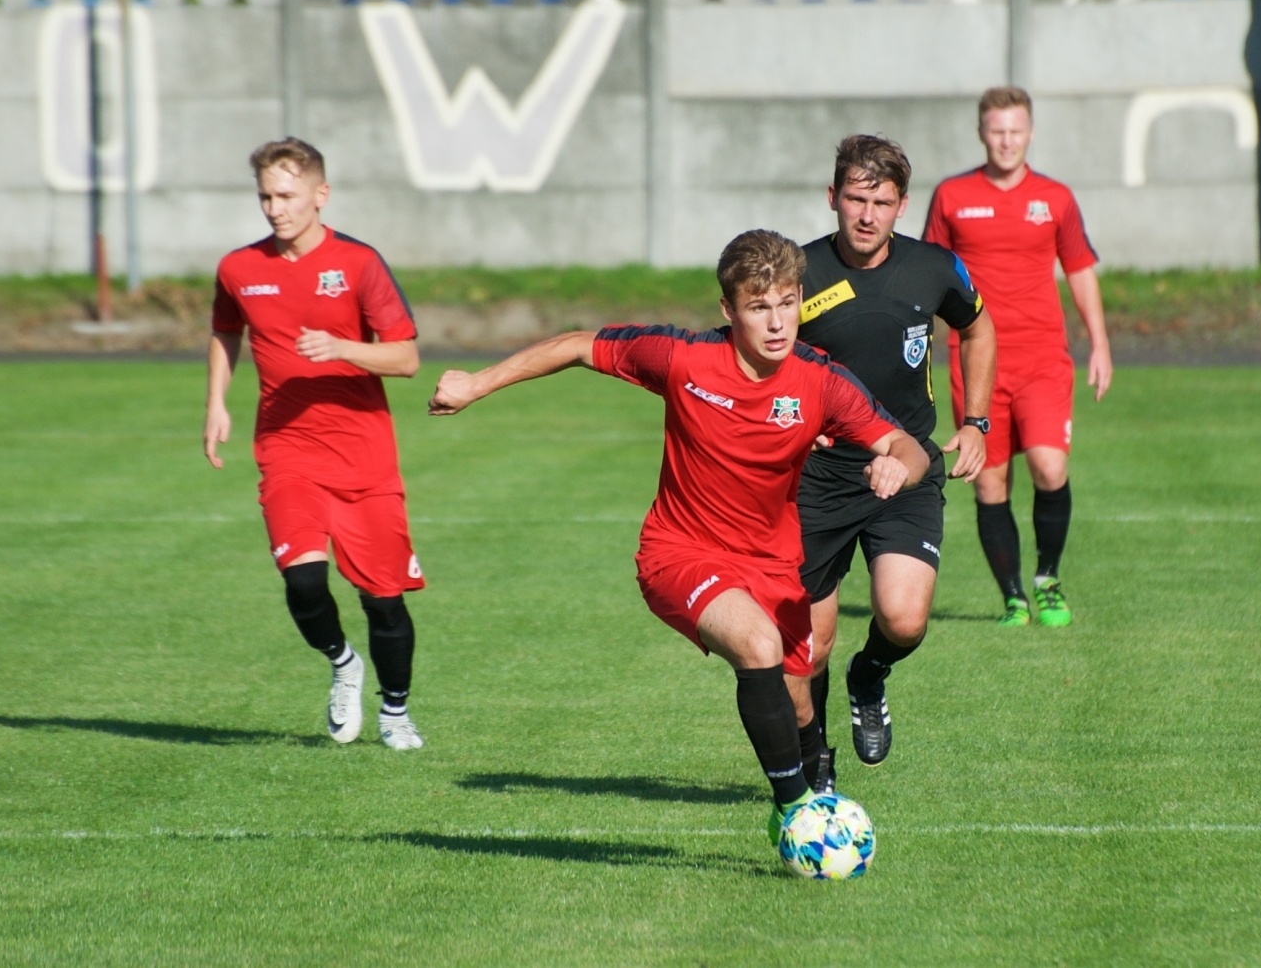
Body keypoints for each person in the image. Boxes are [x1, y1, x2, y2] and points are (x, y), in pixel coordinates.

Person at [427, 229, 930, 843]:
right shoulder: (683, 358)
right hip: (680, 552)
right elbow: (579, 345)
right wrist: (477, 383)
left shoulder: (821, 381)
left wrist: (898, 466)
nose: (777, 323)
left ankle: (809, 786)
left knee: (798, 697)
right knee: (758, 646)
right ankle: (798, 812)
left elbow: (904, 443)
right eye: (758, 306)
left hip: (774, 563)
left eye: (787, 302)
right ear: (728, 310)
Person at [203, 137, 427, 750]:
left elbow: (407, 358)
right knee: (302, 582)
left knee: (383, 600)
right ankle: (343, 663)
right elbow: (225, 331)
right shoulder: (239, 269)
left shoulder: (358, 263)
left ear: (320, 195)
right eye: (265, 197)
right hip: (286, 450)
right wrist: (216, 402)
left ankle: (395, 712)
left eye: (286, 196)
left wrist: (343, 348)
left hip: (364, 458)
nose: (275, 209)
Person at [795, 135, 997, 785]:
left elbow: (979, 328)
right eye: (856, 199)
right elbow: (757, 356)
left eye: (881, 202)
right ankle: (816, 771)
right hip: (819, 477)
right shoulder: (797, 274)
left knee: (905, 620)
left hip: (907, 466)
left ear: (902, 205)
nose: (867, 215)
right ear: (832, 197)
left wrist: (976, 422)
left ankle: (870, 674)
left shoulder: (934, 268)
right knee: (810, 647)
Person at [924, 86, 1113, 627]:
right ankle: (1013, 598)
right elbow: (928, 273)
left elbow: (1079, 269)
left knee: (1050, 467)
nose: (1006, 141)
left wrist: (1100, 342)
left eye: (1015, 131)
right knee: (989, 483)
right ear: (981, 134)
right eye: (997, 131)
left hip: (1042, 357)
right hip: (975, 360)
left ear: (1030, 133)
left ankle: (1047, 579)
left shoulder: (1055, 199)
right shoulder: (952, 196)